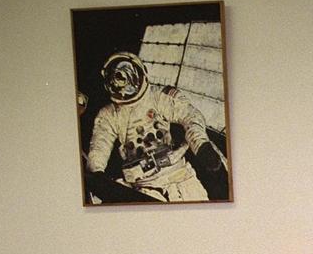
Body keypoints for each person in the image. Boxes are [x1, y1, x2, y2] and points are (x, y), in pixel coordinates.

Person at [84, 51, 227, 204]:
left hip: (179, 175)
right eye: (117, 77)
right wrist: (97, 173)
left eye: (126, 75)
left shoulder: (158, 97)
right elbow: (100, 144)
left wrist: (201, 144)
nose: (123, 83)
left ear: (140, 71)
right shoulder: (109, 114)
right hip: (143, 185)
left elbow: (190, 115)